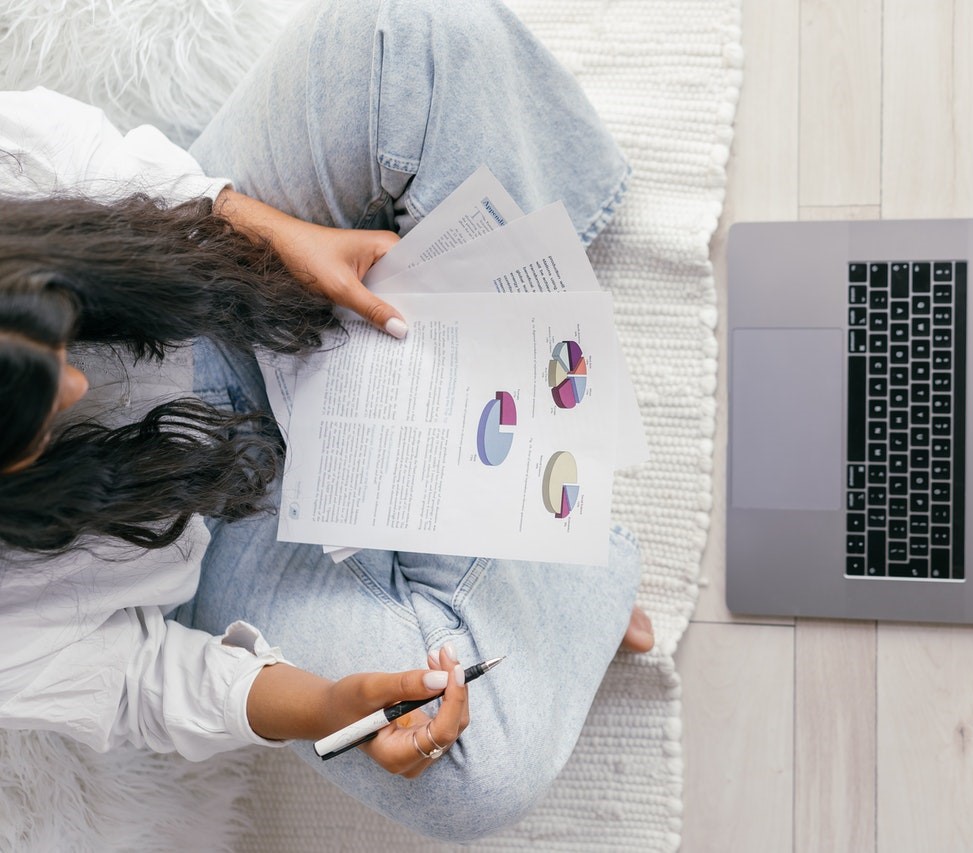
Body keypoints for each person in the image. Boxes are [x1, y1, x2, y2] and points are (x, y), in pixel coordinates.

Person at [0, 0, 653, 842]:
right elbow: (139, 679)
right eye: (43, 429)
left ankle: (544, 562)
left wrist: (279, 233)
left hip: (208, 274)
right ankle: (551, 537)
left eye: (59, 328)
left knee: (411, 36)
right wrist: (325, 705)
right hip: (212, 528)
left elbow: (102, 171)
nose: (84, 384)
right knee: (470, 768)